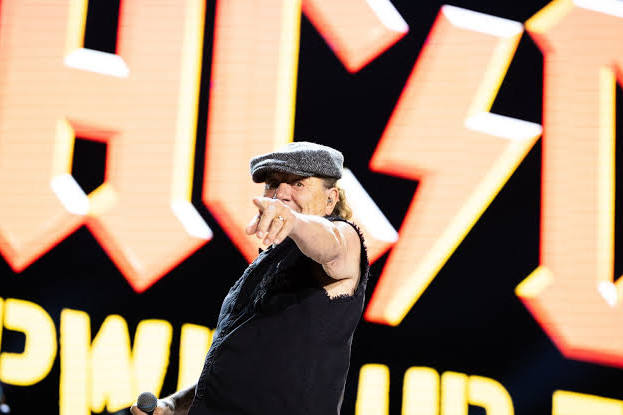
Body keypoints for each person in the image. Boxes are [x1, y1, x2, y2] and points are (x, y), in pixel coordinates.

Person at [131, 141, 369, 415]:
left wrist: (293, 221)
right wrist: (174, 405)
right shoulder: (267, 264)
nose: (281, 194)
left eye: (298, 184)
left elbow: (333, 242)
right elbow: (240, 374)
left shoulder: (343, 239)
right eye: (273, 184)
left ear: (331, 199)